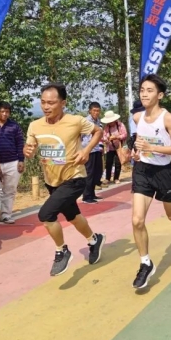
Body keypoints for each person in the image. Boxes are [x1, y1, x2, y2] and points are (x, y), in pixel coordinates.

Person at [24, 83, 106, 276]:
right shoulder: (35, 125)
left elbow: (98, 131)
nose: (46, 107)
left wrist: (86, 150)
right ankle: (94, 240)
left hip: (74, 177)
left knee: (46, 215)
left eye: (51, 103)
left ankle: (62, 251)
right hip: (52, 181)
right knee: (73, 216)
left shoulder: (75, 121)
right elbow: (30, 148)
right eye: (43, 102)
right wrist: (27, 151)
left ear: (63, 103)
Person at [130, 74, 171, 289]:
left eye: (150, 91)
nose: (144, 94)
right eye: (142, 90)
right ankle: (145, 263)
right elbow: (139, 143)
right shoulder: (137, 118)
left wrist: (152, 148)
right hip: (142, 171)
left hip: (164, 172)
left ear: (160, 95)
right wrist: (137, 152)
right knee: (137, 220)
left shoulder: (168, 118)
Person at [82, 102, 104, 204]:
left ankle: (92, 193)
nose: (96, 113)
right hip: (88, 150)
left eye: (98, 111)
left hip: (96, 149)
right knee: (89, 173)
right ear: (90, 111)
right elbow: (79, 135)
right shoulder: (85, 121)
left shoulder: (98, 121)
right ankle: (86, 196)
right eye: (94, 111)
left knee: (97, 172)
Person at [101, 110, 127, 185]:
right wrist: (107, 139)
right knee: (108, 162)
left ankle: (116, 178)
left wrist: (116, 137)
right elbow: (103, 136)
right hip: (110, 147)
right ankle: (107, 178)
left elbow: (124, 134)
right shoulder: (106, 127)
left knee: (118, 163)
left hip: (119, 147)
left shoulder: (120, 125)